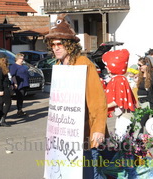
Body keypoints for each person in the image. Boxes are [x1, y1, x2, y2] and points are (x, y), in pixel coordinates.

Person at [45, 14, 108, 178]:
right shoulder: (59, 65)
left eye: (60, 44)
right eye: (53, 45)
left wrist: (98, 129)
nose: (56, 48)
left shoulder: (83, 63)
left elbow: (97, 99)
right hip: (66, 134)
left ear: (69, 45)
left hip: (85, 132)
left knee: (90, 173)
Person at [102, 49, 136, 141]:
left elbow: (118, 101)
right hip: (123, 115)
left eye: (107, 65)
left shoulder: (118, 80)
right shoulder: (120, 79)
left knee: (121, 141)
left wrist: (103, 107)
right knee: (121, 140)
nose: (106, 68)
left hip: (125, 115)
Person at [136, 57, 153, 137]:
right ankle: (141, 140)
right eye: (138, 65)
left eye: (141, 65)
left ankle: (144, 139)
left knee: (142, 122)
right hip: (141, 102)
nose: (139, 67)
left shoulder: (152, 75)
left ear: (147, 65)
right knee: (141, 122)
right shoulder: (141, 75)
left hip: (149, 102)